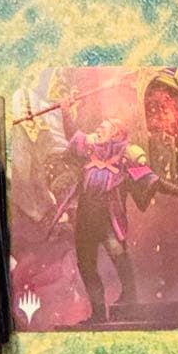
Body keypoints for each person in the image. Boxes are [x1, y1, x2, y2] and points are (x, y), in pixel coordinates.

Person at [65, 117, 160, 324]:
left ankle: (130, 305)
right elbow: (72, 137)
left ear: (116, 134)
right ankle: (98, 314)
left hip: (109, 223)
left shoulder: (126, 159)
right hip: (85, 224)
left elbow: (153, 181)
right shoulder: (88, 153)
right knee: (87, 267)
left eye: (103, 127)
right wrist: (65, 110)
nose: (97, 129)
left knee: (121, 262)